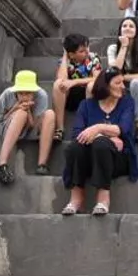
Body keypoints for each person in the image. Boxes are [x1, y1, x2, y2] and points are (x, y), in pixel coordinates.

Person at [62, 72, 138, 217]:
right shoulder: (86, 105)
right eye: (118, 83)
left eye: (123, 82)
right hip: (91, 158)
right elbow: (77, 134)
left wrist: (97, 129)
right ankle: (77, 199)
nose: (123, 87)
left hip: (117, 159)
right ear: (105, 86)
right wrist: (103, 135)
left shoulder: (127, 102)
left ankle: (103, 198)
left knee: (101, 144)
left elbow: (122, 129)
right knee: (74, 147)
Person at [46, 34, 99, 173]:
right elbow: (62, 79)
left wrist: (74, 82)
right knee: (58, 84)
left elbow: (98, 78)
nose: (86, 52)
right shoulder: (64, 61)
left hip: (88, 95)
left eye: (86, 47)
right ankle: (60, 128)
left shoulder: (92, 58)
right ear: (71, 54)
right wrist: (64, 57)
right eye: (81, 51)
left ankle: (89, 125)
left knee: (92, 85)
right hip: (70, 97)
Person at [0, 71, 50, 186]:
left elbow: (33, 124)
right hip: (8, 126)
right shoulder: (6, 95)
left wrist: (28, 111)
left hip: (30, 127)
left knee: (50, 114)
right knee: (21, 113)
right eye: (20, 93)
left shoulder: (41, 96)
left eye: (28, 93)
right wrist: (15, 108)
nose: (24, 96)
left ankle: (42, 164)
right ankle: (1, 163)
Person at [106, 17, 138, 136]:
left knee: (136, 83)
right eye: (124, 26)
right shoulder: (112, 49)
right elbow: (114, 72)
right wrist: (123, 46)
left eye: (131, 26)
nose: (127, 28)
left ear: (136, 31)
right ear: (120, 31)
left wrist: (122, 77)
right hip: (122, 93)